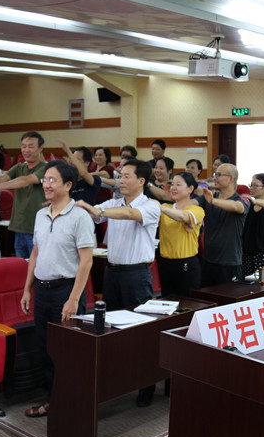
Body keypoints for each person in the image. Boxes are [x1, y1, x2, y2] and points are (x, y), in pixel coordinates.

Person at [76, 159, 160, 407]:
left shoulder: (151, 205)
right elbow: (91, 213)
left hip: (137, 276)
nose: (120, 180)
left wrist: (98, 211)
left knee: (140, 331)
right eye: (119, 176)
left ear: (141, 181)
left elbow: (130, 214)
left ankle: (146, 384)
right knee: (111, 329)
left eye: (126, 176)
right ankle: (118, 379)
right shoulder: (112, 203)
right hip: (112, 274)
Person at [22, 160, 95, 418]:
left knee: (68, 353)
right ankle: (53, 401)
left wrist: (74, 299)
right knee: (46, 350)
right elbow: (35, 253)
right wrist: (27, 289)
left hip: (66, 292)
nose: (46, 184)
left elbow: (86, 261)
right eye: (45, 179)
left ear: (68, 185)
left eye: (52, 180)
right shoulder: (40, 215)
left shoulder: (80, 217)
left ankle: (71, 407)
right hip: (42, 292)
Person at [0, 131, 48, 258]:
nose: (26, 150)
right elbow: (2, 177)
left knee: (37, 265)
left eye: (31, 146)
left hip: (36, 228)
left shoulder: (46, 168)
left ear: (41, 148)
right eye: (23, 146)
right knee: (21, 265)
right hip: (19, 227)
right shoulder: (19, 167)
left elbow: (26, 180)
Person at [195, 163, 250, 287]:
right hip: (208, 261)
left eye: (219, 175)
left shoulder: (242, 199)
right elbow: (192, 203)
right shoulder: (208, 197)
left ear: (231, 179)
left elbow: (237, 207)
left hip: (229, 263)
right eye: (215, 174)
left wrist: (213, 201)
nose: (215, 178)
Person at [158, 172, 205, 296]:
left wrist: (160, 207)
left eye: (178, 185)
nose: (173, 187)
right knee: (167, 301)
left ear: (190, 189)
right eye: (172, 184)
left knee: (187, 303)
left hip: (186, 264)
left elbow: (184, 217)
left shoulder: (197, 210)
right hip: (164, 263)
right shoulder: (166, 207)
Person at [57, 140, 101, 204]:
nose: (72, 161)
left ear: (87, 163)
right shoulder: (69, 182)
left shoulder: (95, 179)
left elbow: (83, 173)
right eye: (72, 159)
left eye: (76, 160)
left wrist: (68, 151)